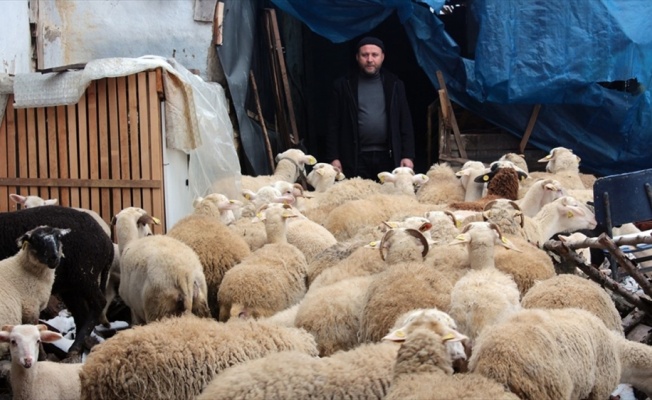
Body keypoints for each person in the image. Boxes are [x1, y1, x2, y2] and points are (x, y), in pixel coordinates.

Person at [324, 36, 415, 181]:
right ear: (357, 57)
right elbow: (333, 125)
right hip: (355, 157)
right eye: (365, 55)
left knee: (389, 201)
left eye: (375, 55)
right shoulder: (343, 86)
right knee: (358, 200)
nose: (370, 59)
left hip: (389, 157)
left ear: (382, 57)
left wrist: (407, 155)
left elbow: (405, 122)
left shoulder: (395, 84)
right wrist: (333, 157)